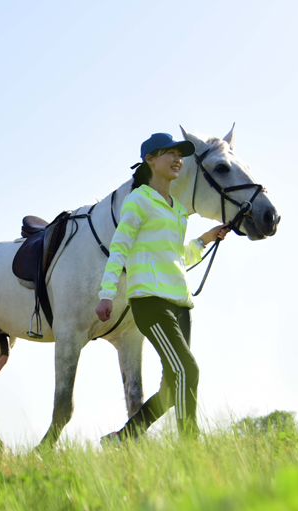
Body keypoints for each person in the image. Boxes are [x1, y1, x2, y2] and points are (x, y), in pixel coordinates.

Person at [96, 133, 230, 441]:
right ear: (150, 160)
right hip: (151, 303)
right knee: (188, 371)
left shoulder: (178, 210)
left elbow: (177, 256)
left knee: (173, 385)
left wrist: (206, 239)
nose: (177, 159)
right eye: (169, 153)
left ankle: (121, 439)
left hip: (181, 305)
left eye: (180, 154)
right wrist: (106, 294)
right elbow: (119, 249)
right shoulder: (138, 201)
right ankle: (190, 449)